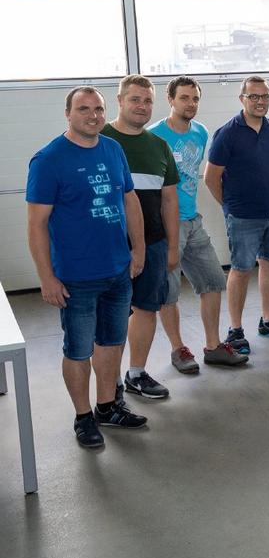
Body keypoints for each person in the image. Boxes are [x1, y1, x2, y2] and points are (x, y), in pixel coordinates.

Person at [26, 86, 148, 447]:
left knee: (111, 343)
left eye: (98, 109)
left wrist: (138, 249)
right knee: (78, 350)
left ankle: (107, 406)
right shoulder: (48, 160)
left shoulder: (113, 149)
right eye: (83, 109)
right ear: (68, 113)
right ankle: (83, 417)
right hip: (76, 277)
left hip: (118, 271)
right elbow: (36, 225)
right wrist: (47, 277)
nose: (92, 116)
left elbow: (130, 200)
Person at [149, 76, 248, 371]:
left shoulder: (201, 132)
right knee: (168, 292)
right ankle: (178, 349)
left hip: (193, 221)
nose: (190, 104)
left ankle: (213, 346)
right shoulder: (154, 136)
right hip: (166, 225)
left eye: (195, 99)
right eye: (184, 98)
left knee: (213, 281)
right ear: (170, 100)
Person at [205, 75, 269, 351]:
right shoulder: (227, 133)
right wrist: (230, 207)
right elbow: (211, 178)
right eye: (254, 96)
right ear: (242, 99)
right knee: (241, 269)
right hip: (243, 216)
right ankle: (235, 330)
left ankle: (268, 320)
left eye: (265, 96)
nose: (260, 102)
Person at [102, 75, 180, 400]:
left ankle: (136, 374)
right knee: (113, 315)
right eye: (135, 99)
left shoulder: (159, 146)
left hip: (153, 245)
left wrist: (172, 247)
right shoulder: (99, 140)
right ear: (120, 101)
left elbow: (169, 200)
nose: (142, 106)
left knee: (147, 308)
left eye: (147, 101)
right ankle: (110, 386)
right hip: (110, 248)